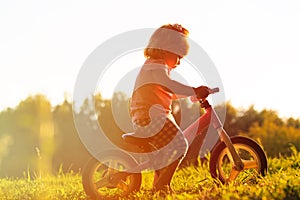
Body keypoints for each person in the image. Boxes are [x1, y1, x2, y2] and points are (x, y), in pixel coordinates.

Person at [129, 23, 209, 193]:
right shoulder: (155, 66)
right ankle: (162, 185)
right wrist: (193, 90)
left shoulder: (155, 66)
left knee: (167, 151)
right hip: (151, 118)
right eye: (178, 56)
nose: (179, 62)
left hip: (149, 117)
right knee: (180, 146)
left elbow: (168, 92)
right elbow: (168, 85)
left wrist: (190, 95)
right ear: (165, 49)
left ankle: (160, 184)